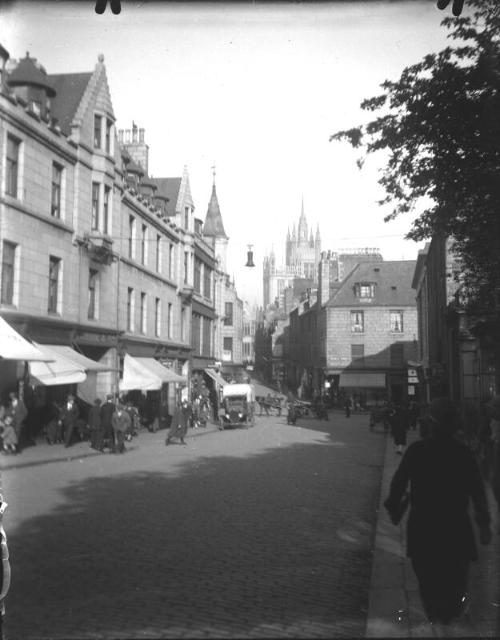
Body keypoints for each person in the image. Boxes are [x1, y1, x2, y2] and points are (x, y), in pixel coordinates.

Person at [384, 396, 492, 625]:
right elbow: (477, 492)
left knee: (429, 585)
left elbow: (397, 485)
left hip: (423, 530)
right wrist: (484, 524)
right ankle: (448, 619)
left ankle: (439, 619)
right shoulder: (463, 453)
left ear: (433, 424)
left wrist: (394, 507)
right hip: (456, 530)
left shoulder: (416, 451)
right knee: (454, 586)